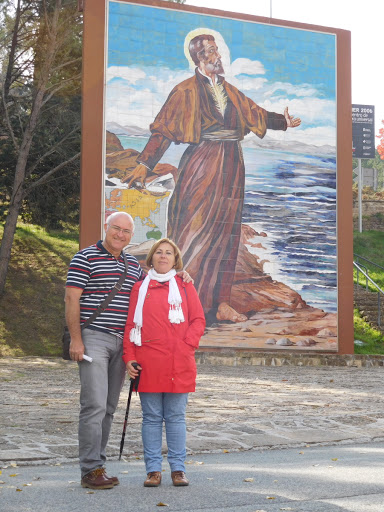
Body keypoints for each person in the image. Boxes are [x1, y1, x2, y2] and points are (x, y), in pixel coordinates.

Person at [125, 33, 301, 324]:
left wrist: (283, 122)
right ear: (198, 57)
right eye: (210, 51)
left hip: (232, 164)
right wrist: (145, 163)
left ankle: (220, 303)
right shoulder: (184, 91)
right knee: (193, 232)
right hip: (202, 164)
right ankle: (182, 302)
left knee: (227, 233)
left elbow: (255, 114)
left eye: (216, 49)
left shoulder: (230, 91)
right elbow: (163, 131)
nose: (217, 55)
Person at [65, 213, 191, 490]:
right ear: (106, 229)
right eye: (116, 229)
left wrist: (180, 276)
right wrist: (77, 339)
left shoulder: (132, 264)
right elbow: (71, 298)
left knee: (109, 407)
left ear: (130, 236)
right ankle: (89, 470)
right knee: (94, 404)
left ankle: (98, 466)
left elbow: (157, 278)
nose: (120, 235)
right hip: (94, 338)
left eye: (126, 231)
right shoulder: (85, 257)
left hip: (122, 342)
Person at [123, 238, 205, 487]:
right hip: (147, 361)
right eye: (158, 252)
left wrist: (186, 346)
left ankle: (178, 470)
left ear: (175, 259)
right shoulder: (140, 288)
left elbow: (198, 320)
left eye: (168, 252)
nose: (163, 256)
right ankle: (153, 471)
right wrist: (130, 358)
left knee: (176, 417)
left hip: (178, 361)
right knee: (151, 417)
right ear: (151, 258)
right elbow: (130, 326)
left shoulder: (184, 284)